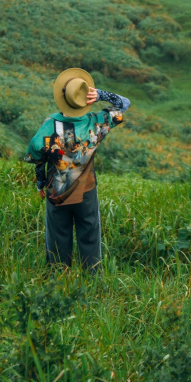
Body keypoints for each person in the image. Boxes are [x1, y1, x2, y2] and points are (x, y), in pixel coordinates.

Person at [25, 67, 130, 270]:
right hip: (86, 191)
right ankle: (92, 279)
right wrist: (100, 95)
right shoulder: (97, 123)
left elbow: (37, 156)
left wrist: (40, 182)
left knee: (57, 237)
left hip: (57, 190)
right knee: (90, 235)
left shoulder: (49, 125)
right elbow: (124, 104)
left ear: (63, 98)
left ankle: (58, 278)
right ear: (85, 101)